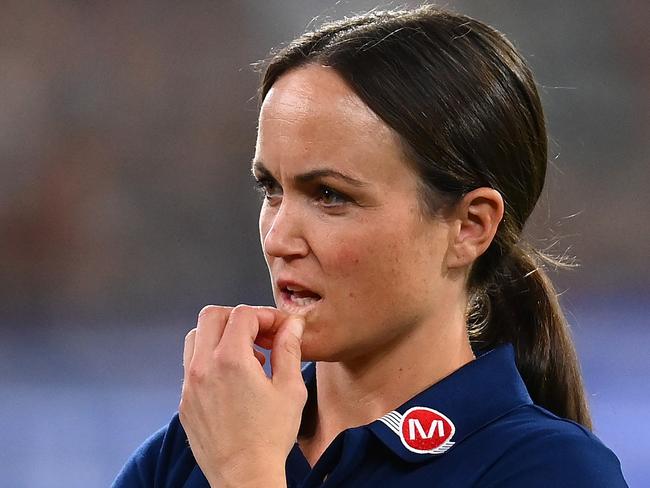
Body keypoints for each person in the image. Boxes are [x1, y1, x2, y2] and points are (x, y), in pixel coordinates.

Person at [113, 6, 627, 487]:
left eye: (330, 196)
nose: (278, 239)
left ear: (470, 227)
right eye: (271, 189)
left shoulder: (549, 469)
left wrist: (248, 474)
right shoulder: (188, 452)